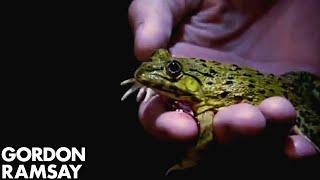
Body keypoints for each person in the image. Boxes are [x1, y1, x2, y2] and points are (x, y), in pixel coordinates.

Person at [128, 0, 319, 159]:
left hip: (286, 95)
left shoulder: (205, 107)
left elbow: (205, 138)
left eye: (173, 69)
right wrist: (146, 82)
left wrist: (189, 163)